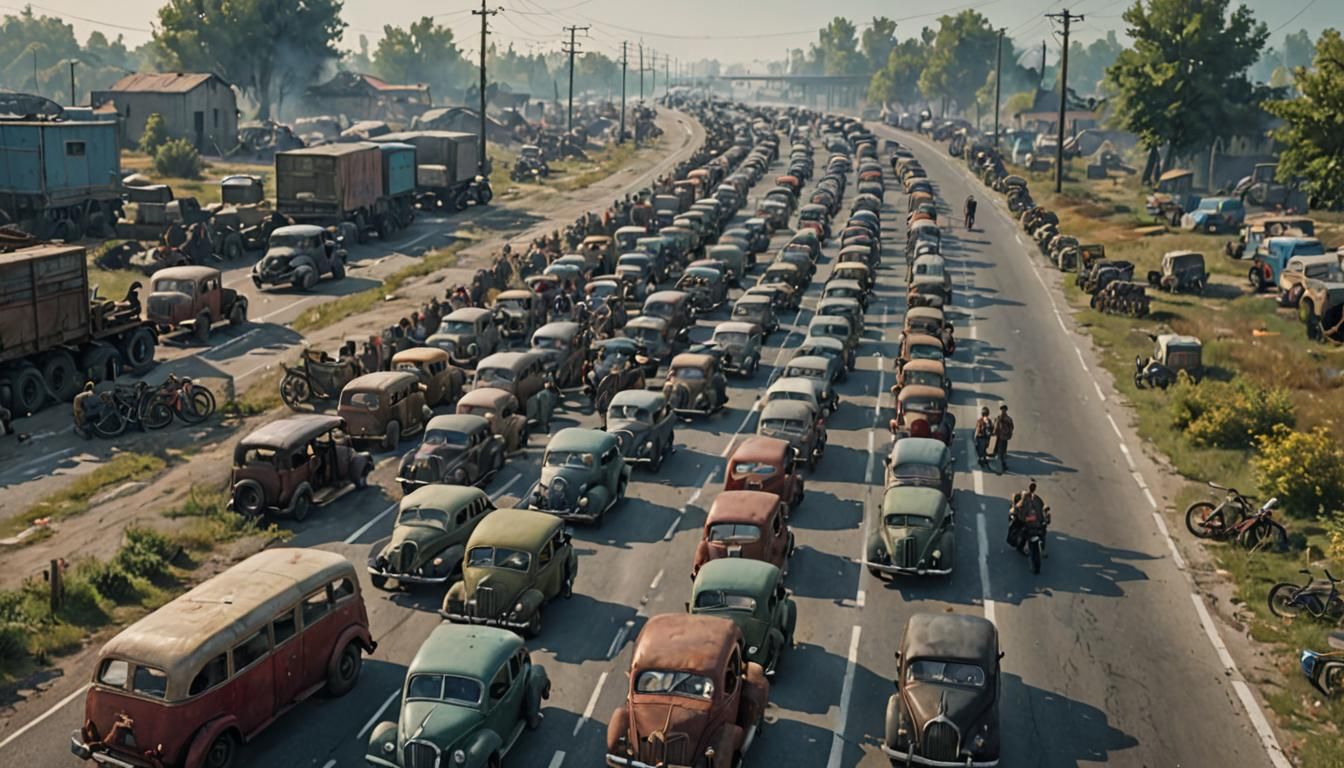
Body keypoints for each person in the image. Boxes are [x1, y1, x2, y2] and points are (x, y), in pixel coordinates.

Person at [1008, 480, 1050, 556]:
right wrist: (1015, 513)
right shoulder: (1023, 498)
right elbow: (1015, 508)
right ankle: (1020, 546)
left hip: (1033, 521)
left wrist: (1046, 513)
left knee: (1042, 532)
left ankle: (1043, 549)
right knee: (1022, 532)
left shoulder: (1036, 499)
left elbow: (1043, 506)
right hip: (1023, 520)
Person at [993, 403, 1014, 473]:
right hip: (1005, 437)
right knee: (1002, 451)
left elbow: (995, 427)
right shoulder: (1008, 419)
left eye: (1003, 410)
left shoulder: (1000, 418)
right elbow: (1012, 427)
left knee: (1000, 452)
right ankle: (1003, 464)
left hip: (1001, 437)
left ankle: (1001, 466)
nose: (1003, 411)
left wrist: (995, 433)